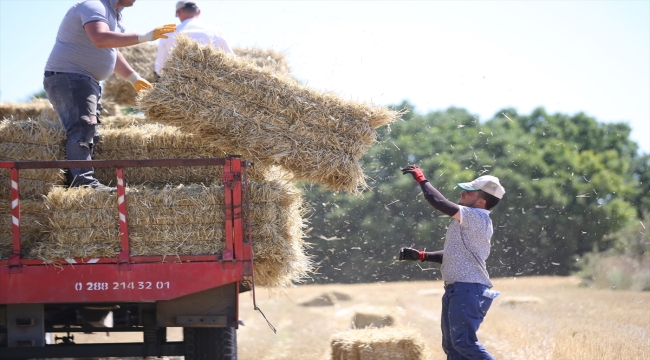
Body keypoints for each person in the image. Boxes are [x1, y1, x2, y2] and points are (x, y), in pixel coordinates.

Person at [44, 0, 176, 191]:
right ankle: (83, 184)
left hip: (84, 80)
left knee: (89, 130)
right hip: (70, 77)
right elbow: (101, 39)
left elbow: (112, 53)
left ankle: (79, 181)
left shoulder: (114, 15)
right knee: (82, 127)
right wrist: (146, 36)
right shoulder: (93, 6)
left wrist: (134, 78)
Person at [399, 165, 505, 360]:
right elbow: (452, 255)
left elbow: (438, 201)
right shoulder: (469, 220)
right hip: (457, 290)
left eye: (470, 191)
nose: (462, 192)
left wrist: (422, 179)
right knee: (452, 347)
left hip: (468, 290)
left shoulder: (477, 217)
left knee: (464, 343)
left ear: (481, 202)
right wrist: (422, 256)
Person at [155, 1, 234, 77]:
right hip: (212, 86)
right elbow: (232, 61)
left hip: (179, 87)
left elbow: (160, 68)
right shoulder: (216, 32)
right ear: (198, 12)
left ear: (179, 13)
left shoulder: (168, 34)